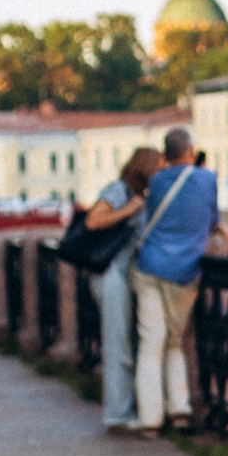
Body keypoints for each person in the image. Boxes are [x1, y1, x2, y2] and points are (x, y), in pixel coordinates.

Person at [129, 127, 228, 434]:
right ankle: (179, 409)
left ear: (165, 155)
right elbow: (210, 219)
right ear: (191, 152)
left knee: (151, 341)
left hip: (149, 266)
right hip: (183, 272)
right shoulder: (206, 178)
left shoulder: (156, 180)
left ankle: (149, 419)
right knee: (176, 342)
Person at [87, 148, 162, 431]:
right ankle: (117, 415)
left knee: (128, 343)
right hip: (111, 275)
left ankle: (128, 408)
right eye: (159, 165)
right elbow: (93, 220)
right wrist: (130, 209)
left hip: (126, 275)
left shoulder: (144, 195)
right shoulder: (119, 190)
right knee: (117, 345)